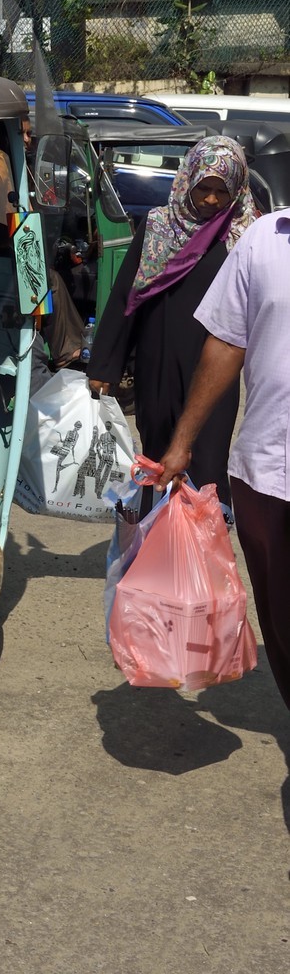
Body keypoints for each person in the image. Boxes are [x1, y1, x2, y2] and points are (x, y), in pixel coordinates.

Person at [156, 209, 290, 710]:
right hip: (266, 468)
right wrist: (182, 440)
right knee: (279, 621)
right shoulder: (264, 240)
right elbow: (227, 341)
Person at [87, 136, 258, 508]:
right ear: (187, 181)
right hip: (158, 359)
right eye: (204, 189)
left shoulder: (246, 235)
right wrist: (105, 364)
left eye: (221, 191)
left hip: (215, 366)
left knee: (207, 459)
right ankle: (156, 547)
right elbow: (125, 299)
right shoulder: (159, 227)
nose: (211, 200)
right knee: (159, 454)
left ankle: (197, 552)